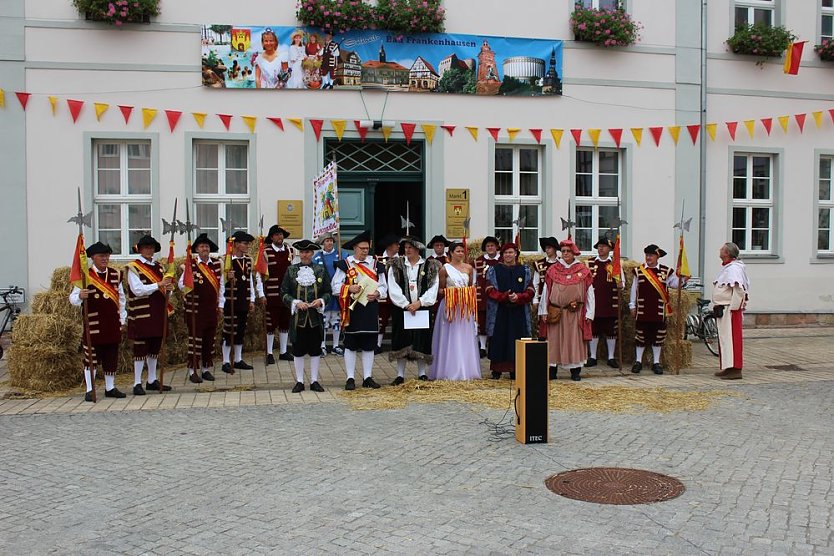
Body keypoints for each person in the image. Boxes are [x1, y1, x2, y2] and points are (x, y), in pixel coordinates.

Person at [69, 242, 127, 401]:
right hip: (94, 324)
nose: (105, 259)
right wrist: (80, 296)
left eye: (107, 256)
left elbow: (121, 299)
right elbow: (72, 299)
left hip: (112, 323)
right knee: (91, 358)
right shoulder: (85, 276)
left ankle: (110, 387)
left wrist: (122, 319)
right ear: (93, 258)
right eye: (101, 256)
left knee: (111, 356)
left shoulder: (116, 275)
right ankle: (90, 389)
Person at [331, 230, 388, 390]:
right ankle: (350, 378)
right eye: (362, 248)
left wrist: (377, 293)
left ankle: (367, 377)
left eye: (367, 248)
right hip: (352, 310)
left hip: (370, 308)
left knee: (369, 343)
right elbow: (335, 286)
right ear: (355, 248)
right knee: (350, 344)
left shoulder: (376, 265)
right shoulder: (345, 264)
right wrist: (349, 288)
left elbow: (384, 286)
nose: (365, 251)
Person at [538, 239, 594, 381]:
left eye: (568, 251)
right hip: (556, 313)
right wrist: (543, 310)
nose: (565, 254)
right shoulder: (553, 270)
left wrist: (590, 312)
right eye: (563, 251)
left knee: (574, 341)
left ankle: (575, 371)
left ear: (574, 252)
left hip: (575, 313)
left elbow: (589, 293)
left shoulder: (583, 270)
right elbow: (546, 291)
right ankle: (552, 370)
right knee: (554, 342)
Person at [386, 236, 440, 384]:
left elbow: (433, 287)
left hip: (422, 309)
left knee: (421, 339)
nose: (407, 250)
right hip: (402, 309)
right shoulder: (396, 265)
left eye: (410, 247)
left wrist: (420, 302)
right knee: (401, 340)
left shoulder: (430, 265)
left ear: (417, 249)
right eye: (405, 247)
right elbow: (393, 287)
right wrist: (405, 304)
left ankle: (422, 374)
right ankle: (400, 375)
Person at [282, 239, 332, 393]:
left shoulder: (320, 270)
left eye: (307, 252)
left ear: (312, 253)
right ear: (299, 253)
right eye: (302, 252)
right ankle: (299, 381)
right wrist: (296, 303)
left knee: (315, 350)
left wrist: (321, 301)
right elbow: (283, 293)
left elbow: (328, 292)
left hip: (315, 318)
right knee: (298, 350)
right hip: (298, 319)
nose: (304, 255)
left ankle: (314, 381)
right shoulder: (291, 270)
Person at [126, 235, 172, 395]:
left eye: (151, 248)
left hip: (158, 312)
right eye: (146, 247)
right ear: (140, 249)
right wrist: (158, 284)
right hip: (142, 313)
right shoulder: (133, 267)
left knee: (154, 347)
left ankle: (152, 380)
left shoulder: (159, 267)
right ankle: (137, 382)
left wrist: (168, 290)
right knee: (140, 349)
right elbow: (137, 290)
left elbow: (163, 291)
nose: (149, 250)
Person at [629, 244, 685, 374]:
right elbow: (634, 289)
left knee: (658, 336)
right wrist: (632, 305)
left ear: (657, 257)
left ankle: (656, 363)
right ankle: (638, 361)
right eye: (647, 255)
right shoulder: (639, 271)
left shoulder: (666, 271)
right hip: (642, 309)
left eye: (651, 255)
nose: (648, 257)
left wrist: (683, 278)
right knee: (640, 336)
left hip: (659, 310)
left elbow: (675, 284)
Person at [429, 242, 481, 381]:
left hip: (464, 307)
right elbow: (439, 290)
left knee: (464, 337)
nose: (460, 253)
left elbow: (471, 286)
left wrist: (467, 293)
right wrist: (450, 292)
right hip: (450, 306)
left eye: (462, 251)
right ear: (451, 252)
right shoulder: (444, 269)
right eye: (457, 251)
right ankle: (449, 369)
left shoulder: (469, 268)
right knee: (450, 337)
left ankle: (466, 369)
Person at [485, 243, 534, 379]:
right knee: (499, 339)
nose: (508, 255)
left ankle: (515, 370)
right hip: (500, 311)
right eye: (505, 253)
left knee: (517, 339)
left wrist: (518, 297)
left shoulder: (524, 270)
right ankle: (497, 370)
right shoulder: (494, 270)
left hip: (518, 312)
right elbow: (489, 290)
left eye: (510, 252)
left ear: (516, 254)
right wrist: (504, 296)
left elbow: (530, 290)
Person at [178, 233, 222, 384]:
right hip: (195, 309)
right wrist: (188, 285)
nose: (205, 249)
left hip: (211, 309)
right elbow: (181, 285)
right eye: (202, 246)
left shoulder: (216, 264)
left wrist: (221, 305)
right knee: (195, 341)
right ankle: (192, 370)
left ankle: (206, 369)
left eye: (207, 246)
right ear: (196, 249)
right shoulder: (190, 265)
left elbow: (221, 287)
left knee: (209, 340)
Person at [712, 242, 749, 380]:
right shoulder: (728, 268)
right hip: (724, 308)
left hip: (730, 310)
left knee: (732, 339)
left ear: (727, 253)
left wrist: (733, 308)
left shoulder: (734, 269)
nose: (720, 250)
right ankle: (728, 366)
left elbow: (739, 290)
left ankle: (736, 369)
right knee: (725, 339)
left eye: (722, 249)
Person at [260, 225, 297, 364]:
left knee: (285, 322)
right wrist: (261, 294)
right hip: (272, 293)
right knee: (271, 324)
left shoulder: (290, 251)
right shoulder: (265, 252)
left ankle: (283, 351)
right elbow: (260, 275)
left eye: (281, 234)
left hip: (287, 294)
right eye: (276, 234)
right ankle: (269, 352)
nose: (279, 237)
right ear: (271, 237)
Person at [222, 230, 258, 374]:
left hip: (244, 299)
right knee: (229, 330)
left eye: (248, 243)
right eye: (244, 243)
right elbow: (220, 283)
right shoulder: (226, 260)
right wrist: (227, 276)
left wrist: (252, 299)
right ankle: (225, 361)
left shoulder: (248, 260)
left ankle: (237, 359)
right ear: (236, 244)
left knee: (241, 330)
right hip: (230, 300)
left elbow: (249, 280)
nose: (247, 246)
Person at [586, 236, 624, 369]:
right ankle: (592, 357)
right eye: (599, 247)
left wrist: (620, 284)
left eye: (603, 246)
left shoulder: (615, 264)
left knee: (611, 331)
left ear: (609, 249)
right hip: (595, 302)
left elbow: (622, 283)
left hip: (610, 302)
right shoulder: (590, 264)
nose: (600, 249)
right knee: (594, 329)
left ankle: (611, 357)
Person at [312, 233, 349, 356]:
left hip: (338, 293)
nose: (329, 243)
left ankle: (336, 345)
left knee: (336, 319)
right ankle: (322, 345)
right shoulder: (317, 258)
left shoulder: (341, 254)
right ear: (322, 243)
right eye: (326, 241)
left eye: (331, 240)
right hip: (324, 293)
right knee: (324, 319)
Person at [475, 236, 501, 358]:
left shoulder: (502, 260)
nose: (490, 248)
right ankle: (482, 346)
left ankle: (495, 345)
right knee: (482, 319)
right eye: (488, 246)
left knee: (497, 321)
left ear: (496, 247)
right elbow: (474, 279)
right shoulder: (478, 261)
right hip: (483, 295)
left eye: (492, 246)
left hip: (498, 295)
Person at [374, 233, 401, 354]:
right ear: (389, 246)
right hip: (383, 294)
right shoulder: (377, 259)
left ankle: (398, 344)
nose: (399, 246)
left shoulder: (402, 259)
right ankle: (377, 344)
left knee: (398, 320)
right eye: (396, 244)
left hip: (399, 295)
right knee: (381, 320)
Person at [532, 236, 560, 338]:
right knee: (543, 325)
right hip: (543, 299)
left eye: (549, 247)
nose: (547, 250)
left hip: (557, 299)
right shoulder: (540, 264)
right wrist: (535, 299)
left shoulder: (561, 263)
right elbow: (535, 283)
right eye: (546, 248)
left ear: (555, 248)